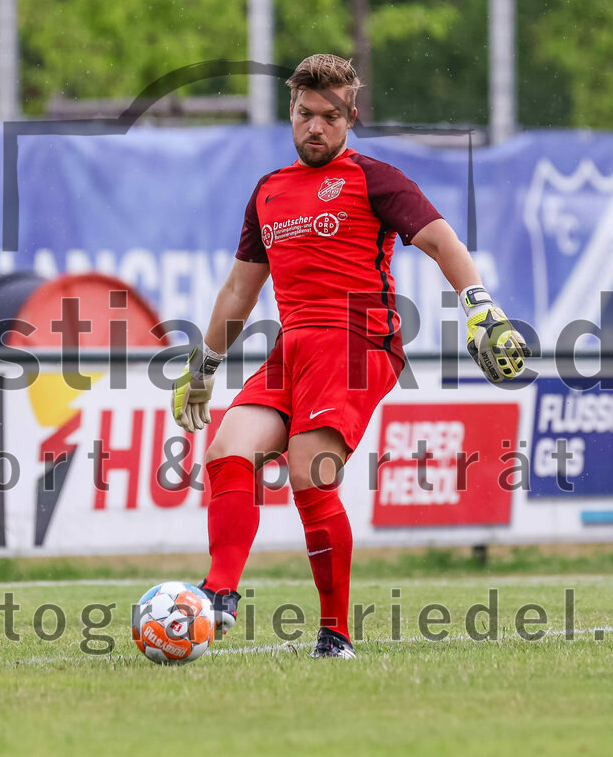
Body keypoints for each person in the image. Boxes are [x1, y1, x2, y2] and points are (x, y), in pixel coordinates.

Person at [171, 54, 529, 659]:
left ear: (350, 118)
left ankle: (334, 634)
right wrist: (203, 367)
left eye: (329, 117)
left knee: (310, 469)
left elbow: (443, 241)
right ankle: (219, 597)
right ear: (291, 113)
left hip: (358, 342)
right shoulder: (269, 192)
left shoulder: (373, 178)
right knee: (229, 449)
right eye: (306, 114)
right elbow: (239, 291)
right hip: (293, 347)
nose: (316, 127)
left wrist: (483, 310)